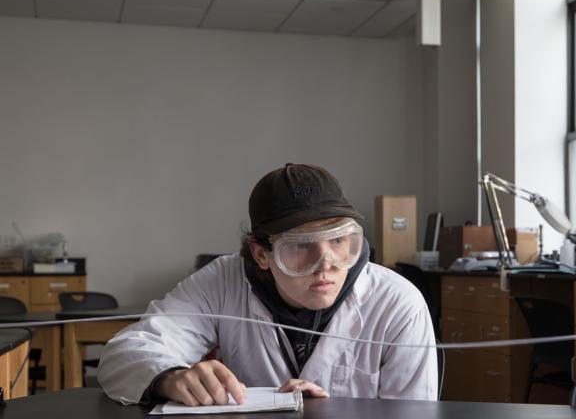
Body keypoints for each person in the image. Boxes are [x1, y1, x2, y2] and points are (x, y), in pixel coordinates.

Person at [98, 163, 438, 405]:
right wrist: (167, 377)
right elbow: (124, 353)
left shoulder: (397, 303)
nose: (327, 265)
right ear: (262, 254)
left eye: (338, 241)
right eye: (301, 246)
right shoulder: (222, 282)